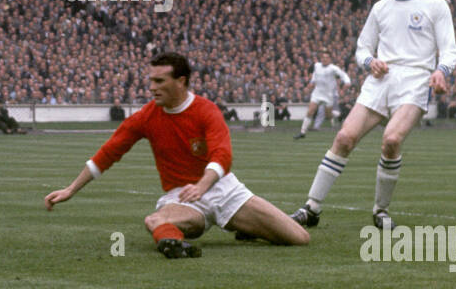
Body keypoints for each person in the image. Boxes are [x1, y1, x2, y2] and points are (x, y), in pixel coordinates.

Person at [44, 51, 309, 258]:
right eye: (151, 81)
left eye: (159, 81)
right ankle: (172, 246)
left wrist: (203, 185)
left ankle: (244, 227)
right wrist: (71, 189)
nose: (152, 87)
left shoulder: (206, 110)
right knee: (155, 220)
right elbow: (108, 153)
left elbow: (222, 155)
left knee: (299, 238)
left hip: (224, 190)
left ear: (181, 82)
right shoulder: (146, 117)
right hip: (182, 198)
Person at [291, 0, 456, 231]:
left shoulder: (435, 4)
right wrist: (371, 62)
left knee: (392, 140)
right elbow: (362, 49)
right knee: (344, 137)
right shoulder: (380, 8)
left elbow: (449, 49)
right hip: (380, 81)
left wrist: (442, 71)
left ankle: (381, 210)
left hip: (416, 81)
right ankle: (312, 208)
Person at [295, 50, 352, 138]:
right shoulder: (317, 66)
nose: (324, 59)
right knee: (310, 111)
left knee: (329, 116)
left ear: (330, 59)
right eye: (323, 57)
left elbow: (344, 75)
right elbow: (314, 79)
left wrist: (347, 83)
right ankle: (302, 132)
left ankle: (340, 115)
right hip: (317, 93)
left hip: (328, 95)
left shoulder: (333, 68)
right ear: (321, 58)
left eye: (327, 58)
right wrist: (308, 87)